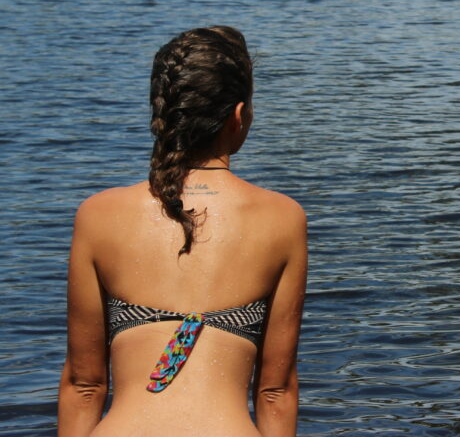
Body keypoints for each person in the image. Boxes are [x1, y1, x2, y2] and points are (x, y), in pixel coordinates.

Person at [59, 26, 308, 437]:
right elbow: (275, 392)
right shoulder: (282, 217)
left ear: (161, 114)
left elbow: (83, 387)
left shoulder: (98, 215)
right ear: (239, 116)